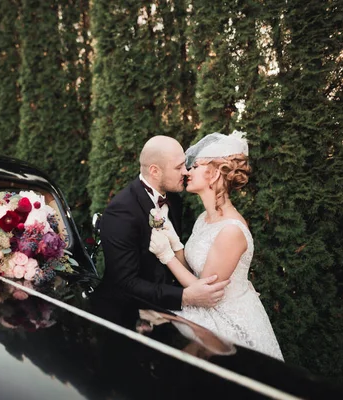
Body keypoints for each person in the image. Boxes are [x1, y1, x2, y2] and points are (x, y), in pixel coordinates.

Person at [148, 131, 284, 360]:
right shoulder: (204, 218)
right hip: (203, 314)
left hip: (228, 325)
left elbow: (204, 293)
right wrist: (173, 240)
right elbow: (192, 270)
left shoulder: (231, 230)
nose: (187, 172)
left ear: (213, 174)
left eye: (195, 166)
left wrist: (166, 255)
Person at [98, 135, 230, 312]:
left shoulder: (174, 198)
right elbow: (124, 282)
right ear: (155, 171)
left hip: (169, 310)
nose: (186, 171)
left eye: (185, 164)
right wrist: (184, 297)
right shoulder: (121, 212)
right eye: (178, 167)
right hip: (130, 313)